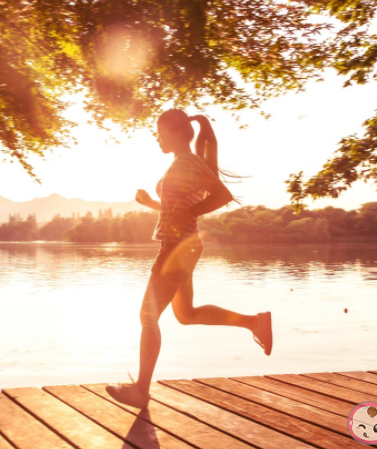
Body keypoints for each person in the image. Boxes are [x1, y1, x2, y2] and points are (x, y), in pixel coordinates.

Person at [106, 109, 273, 409]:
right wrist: (151, 204)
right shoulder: (181, 163)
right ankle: (254, 323)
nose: (157, 138)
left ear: (177, 133)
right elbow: (178, 211)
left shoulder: (189, 162)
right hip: (182, 245)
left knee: (148, 317)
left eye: (161, 133)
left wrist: (186, 213)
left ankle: (140, 390)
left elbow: (222, 195)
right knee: (187, 315)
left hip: (177, 248)